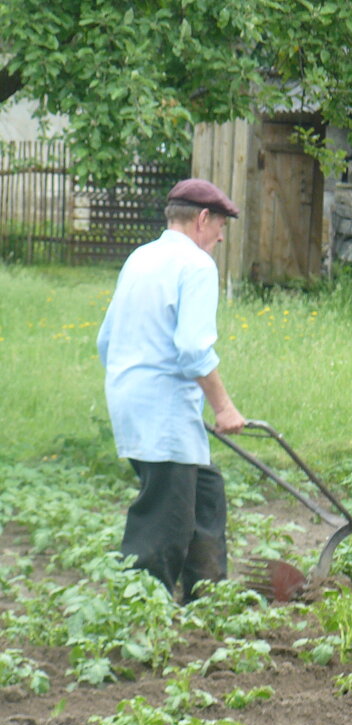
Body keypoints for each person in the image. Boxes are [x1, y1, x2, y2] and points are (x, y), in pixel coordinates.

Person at [96, 178, 247, 604]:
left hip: (132, 400)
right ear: (202, 219)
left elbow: (106, 341)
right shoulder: (196, 266)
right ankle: (138, 609)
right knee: (164, 520)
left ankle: (207, 596)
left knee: (205, 494)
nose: (220, 236)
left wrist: (137, 386)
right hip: (162, 410)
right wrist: (224, 407)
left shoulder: (141, 258)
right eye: (220, 226)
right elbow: (193, 349)